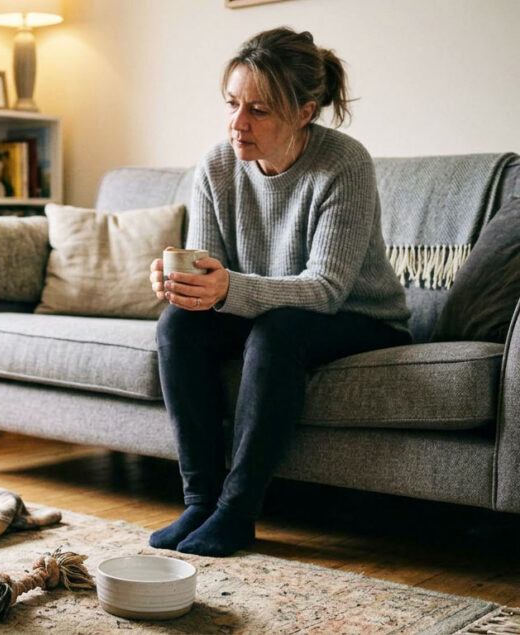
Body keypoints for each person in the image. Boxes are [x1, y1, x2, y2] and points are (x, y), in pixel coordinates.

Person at [147, 27, 411, 557]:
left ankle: (236, 513)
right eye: (232, 104)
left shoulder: (344, 165)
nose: (237, 123)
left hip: (359, 317)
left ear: (304, 112)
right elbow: (209, 269)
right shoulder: (218, 165)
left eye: (259, 110)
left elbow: (327, 289)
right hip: (269, 309)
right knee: (178, 324)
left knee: (278, 328)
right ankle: (200, 501)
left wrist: (227, 288)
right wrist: (184, 286)